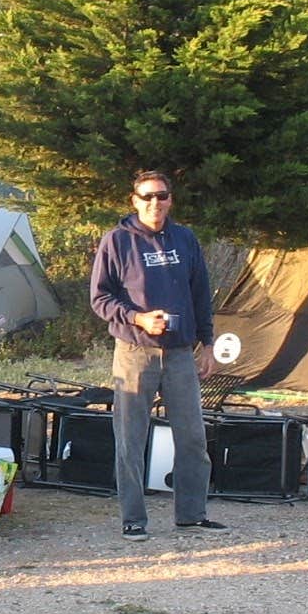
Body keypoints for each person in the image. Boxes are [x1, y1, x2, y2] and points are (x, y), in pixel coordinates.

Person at [88, 170, 225, 540]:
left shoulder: (185, 238)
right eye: (147, 196)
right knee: (131, 439)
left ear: (170, 200)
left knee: (193, 436)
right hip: (135, 352)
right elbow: (100, 299)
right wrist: (139, 318)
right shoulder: (117, 241)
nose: (155, 203)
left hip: (180, 353)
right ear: (134, 201)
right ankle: (133, 519)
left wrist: (207, 344)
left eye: (161, 196)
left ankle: (192, 515)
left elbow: (200, 294)